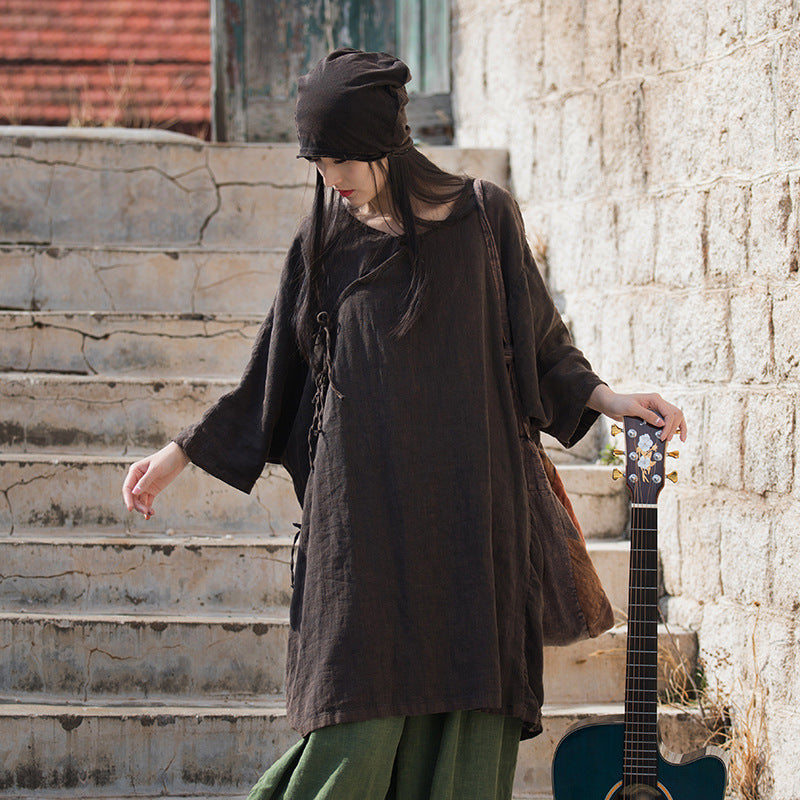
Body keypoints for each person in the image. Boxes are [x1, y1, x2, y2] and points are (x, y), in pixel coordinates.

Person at [122, 49, 686, 800]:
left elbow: (543, 346)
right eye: (319, 161)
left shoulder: (485, 218)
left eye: (345, 157)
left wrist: (610, 400)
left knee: (463, 751)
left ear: (389, 140)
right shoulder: (322, 243)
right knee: (346, 749)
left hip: (473, 532)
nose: (333, 177)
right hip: (363, 543)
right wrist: (180, 452)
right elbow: (271, 376)